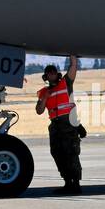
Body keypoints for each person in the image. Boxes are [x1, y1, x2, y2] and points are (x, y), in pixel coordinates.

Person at [35, 55, 82, 194]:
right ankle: (67, 182)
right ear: (46, 77)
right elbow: (39, 111)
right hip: (55, 126)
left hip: (67, 123)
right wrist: (45, 98)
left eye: (53, 72)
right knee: (57, 153)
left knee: (71, 153)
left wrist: (73, 59)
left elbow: (73, 70)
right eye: (49, 73)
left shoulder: (65, 83)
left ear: (57, 74)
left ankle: (76, 183)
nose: (52, 75)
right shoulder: (43, 92)